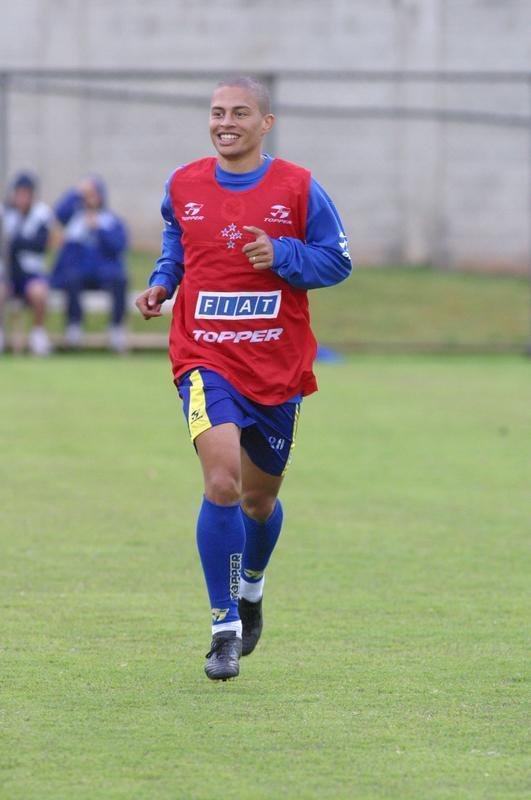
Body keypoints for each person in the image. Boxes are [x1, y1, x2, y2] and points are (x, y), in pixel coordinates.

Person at [136, 75, 352, 681]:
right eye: (216, 112)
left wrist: (281, 254)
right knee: (223, 481)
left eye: (239, 112)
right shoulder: (183, 183)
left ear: (266, 123)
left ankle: (251, 587)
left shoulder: (300, 187)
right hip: (204, 357)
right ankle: (223, 627)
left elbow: (337, 260)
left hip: (276, 364)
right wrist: (163, 281)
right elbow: (178, 241)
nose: (224, 121)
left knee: (260, 500)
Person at [51, 176, 129, 352]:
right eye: (86, 195)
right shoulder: (74, 219)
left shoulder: (110, 220)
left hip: (104, 272)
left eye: (93, 194)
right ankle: (74, 326)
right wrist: (75, 191)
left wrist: (98, 229)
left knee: (120, 279)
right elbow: (57, 213)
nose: (89, 199)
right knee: (70, 277)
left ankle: (116, 328)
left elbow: (119, 246)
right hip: (80, 271)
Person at [0, 172, 53, 356]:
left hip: (31, 271)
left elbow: (39, 244)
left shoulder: (41, 214)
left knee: (38, 292)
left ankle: (38, 333)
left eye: (26, 193)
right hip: (8, 272)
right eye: (19, 193)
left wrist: (15, 241)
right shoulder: (5, 212)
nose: (22, 198)